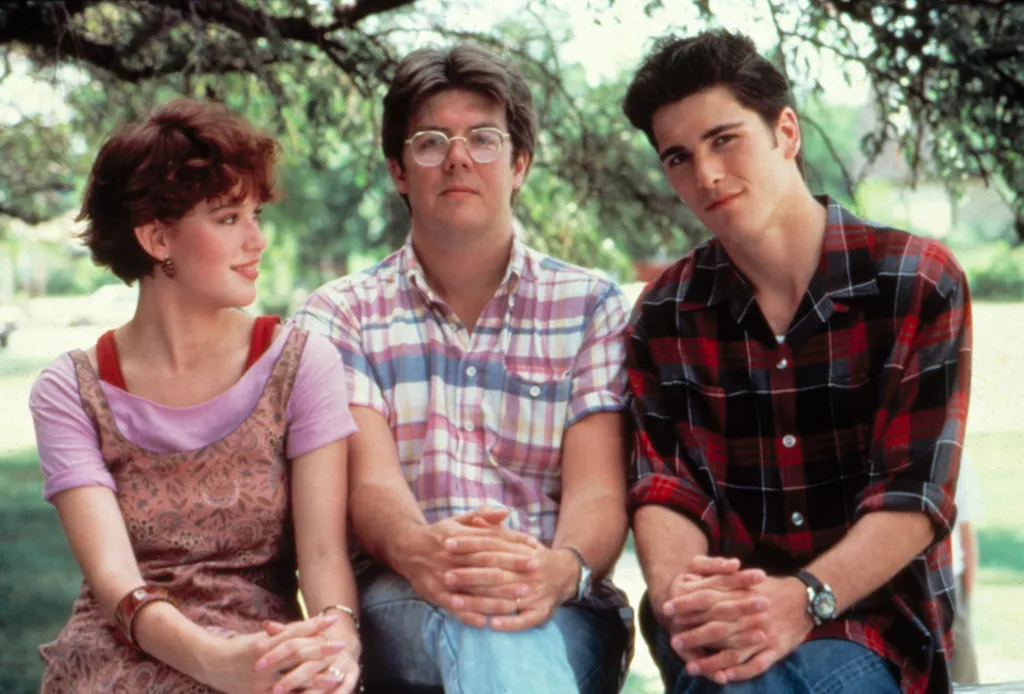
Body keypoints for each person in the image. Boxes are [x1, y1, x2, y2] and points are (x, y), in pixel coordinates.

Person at [621, 31, 972, 694]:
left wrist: (803, 598)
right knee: (731, 674)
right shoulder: (664, 312)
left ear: (786, 133)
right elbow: (667, 488)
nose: (706, 175)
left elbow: (914, 495)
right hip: (718, 616)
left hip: (870, 622)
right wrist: (679, 592)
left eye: (724, 140)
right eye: (679, 157)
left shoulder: (915, 281)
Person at [295, 43, 633, 694]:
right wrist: (423, 551)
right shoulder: (341, 315)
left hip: (562, 601)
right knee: (487, 622)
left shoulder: (590, 305)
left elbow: (597, 491)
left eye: (483, 138)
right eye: (430, 142)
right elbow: (371, 484)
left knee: (499, 623)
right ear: (398, 171)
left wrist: (559, 569)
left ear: (519, 164)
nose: (457, 157)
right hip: (403, 593)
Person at [29, 98, 363, 694]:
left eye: (256, 214)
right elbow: (114, 581)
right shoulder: (71, 391)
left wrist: (336, 647)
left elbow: (322, 557)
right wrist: (214, 661)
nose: (258, 240)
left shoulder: (302, 363)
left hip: (261, 648)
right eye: (229, 218)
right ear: (157, 237)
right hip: (121, 653)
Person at [951, 452, 982, 684]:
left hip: (950, 578)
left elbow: (966, 535)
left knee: (962, 673)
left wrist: (967, 599)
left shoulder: (958, 458)